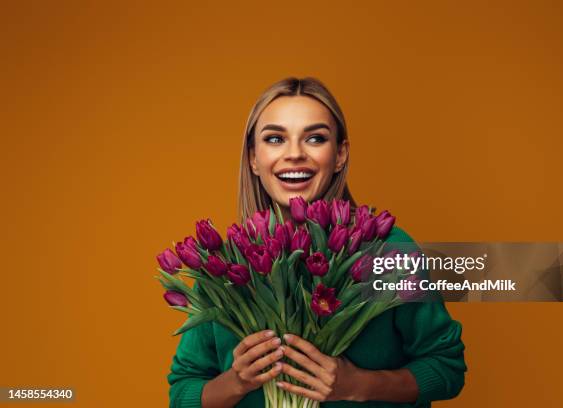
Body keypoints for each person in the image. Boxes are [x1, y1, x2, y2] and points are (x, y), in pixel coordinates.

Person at [167, 77, 467, 407]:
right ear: (253, 158)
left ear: (339, 155)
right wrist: (236, 382)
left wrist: (358, 385)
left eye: (315, 138)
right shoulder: (225, 264)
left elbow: (446, 367)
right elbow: (183, 391)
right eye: (275, 138)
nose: (294, 154)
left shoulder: (386, 251)